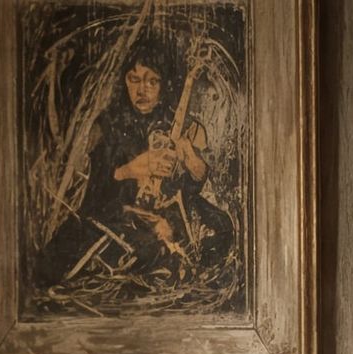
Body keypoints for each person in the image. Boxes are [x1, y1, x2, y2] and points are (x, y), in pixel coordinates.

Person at [38, 39, 235, 305]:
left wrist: (189, 158)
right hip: (121, 209)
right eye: (134, 79)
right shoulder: (108, 124)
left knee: (223, 227)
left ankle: (197, 278)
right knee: (150, 247)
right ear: (124, 82)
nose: (142, 89)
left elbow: (191, 187)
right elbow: (94, 191)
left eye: (152, 81)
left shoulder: (176, 121)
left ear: (164, 85)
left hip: (171, 205)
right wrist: (129, 170)